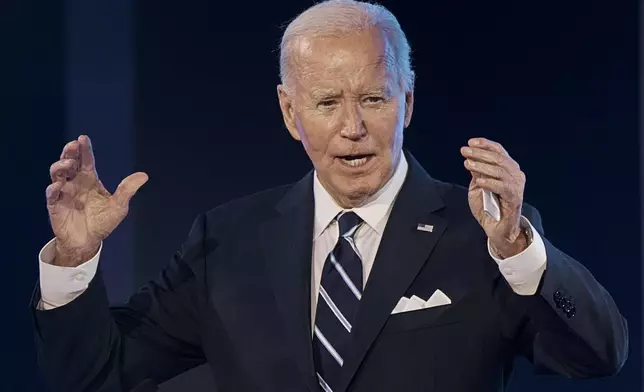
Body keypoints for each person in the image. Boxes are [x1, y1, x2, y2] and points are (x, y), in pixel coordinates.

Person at [33, 1, 628, 391]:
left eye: (374, 99)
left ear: (409, 102)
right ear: (290, 113)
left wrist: (522, 250)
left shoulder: (485, 234)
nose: (353, 127)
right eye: (326, 103)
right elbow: (97, 377)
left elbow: (599, 356)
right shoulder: (227, 241)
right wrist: (75, 262)